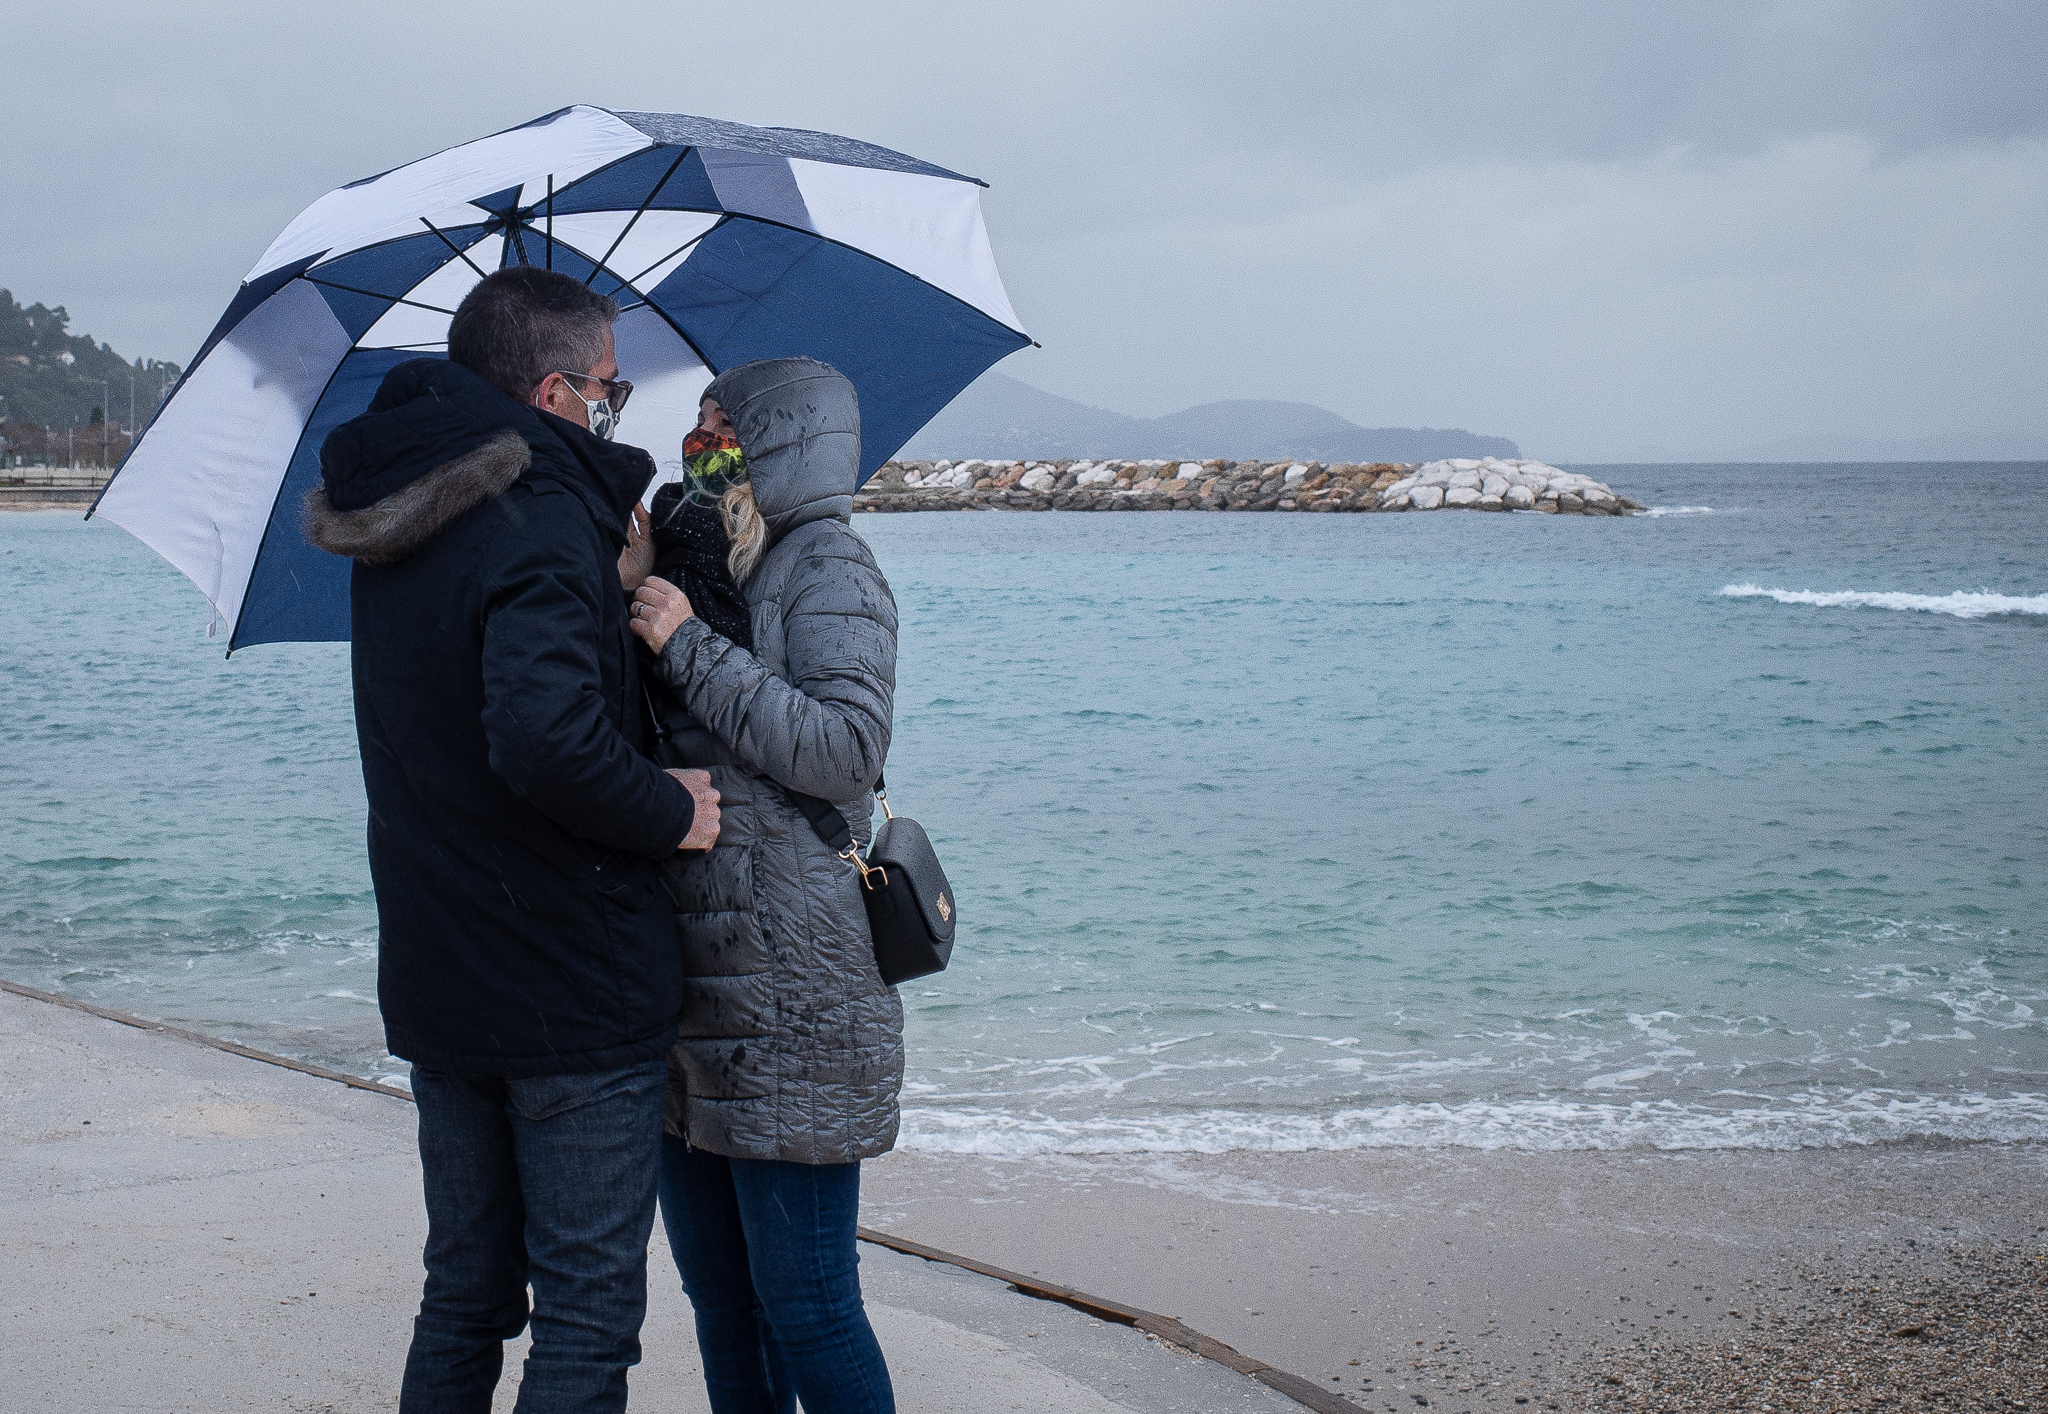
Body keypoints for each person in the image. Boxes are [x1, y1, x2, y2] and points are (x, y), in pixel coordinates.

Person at [304, 265, 720, 1414]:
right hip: (566, 981)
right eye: (608, 387)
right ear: (552, 393)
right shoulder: (537, 512)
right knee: (584, 1314)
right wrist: (670, 809)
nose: (613, 408)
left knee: (466, 1294)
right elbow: (542, 741)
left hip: (443, 967)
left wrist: (601, 575)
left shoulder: (411, 508)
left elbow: (462, 697)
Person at [626, 357, 902, 1414]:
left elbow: (842, 751)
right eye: (697, 426)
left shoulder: (829, 566)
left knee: (810, 1303)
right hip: (694, 983)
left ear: (781, 439)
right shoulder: (715, 560)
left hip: (794, 983)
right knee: (720, 1303)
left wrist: (688, 645)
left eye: (720, 427)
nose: (699, 445)